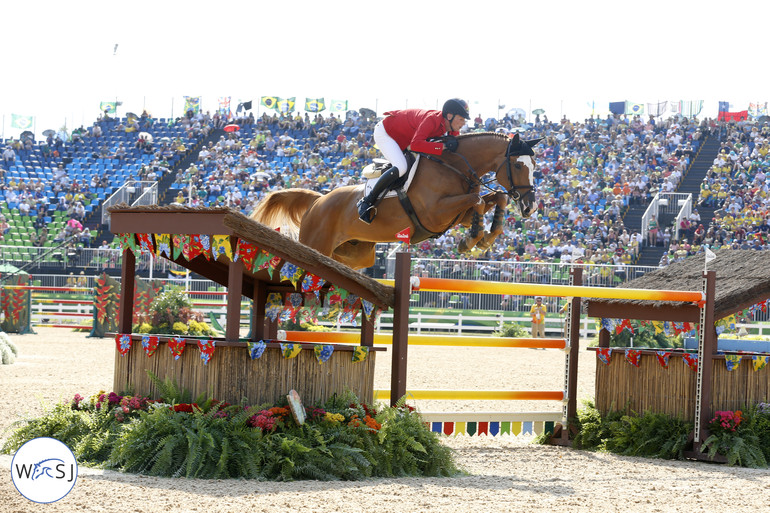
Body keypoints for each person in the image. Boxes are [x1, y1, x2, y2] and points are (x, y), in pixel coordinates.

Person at [356, 98, 470, 224]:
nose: (463, 123)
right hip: (386, 133)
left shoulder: (453, 129)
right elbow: (416, 145)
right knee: (401, 167)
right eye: (461, 119)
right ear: (449, 116)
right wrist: (442, 147)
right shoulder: (431, 119)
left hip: (405, 138)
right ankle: (367, 201)